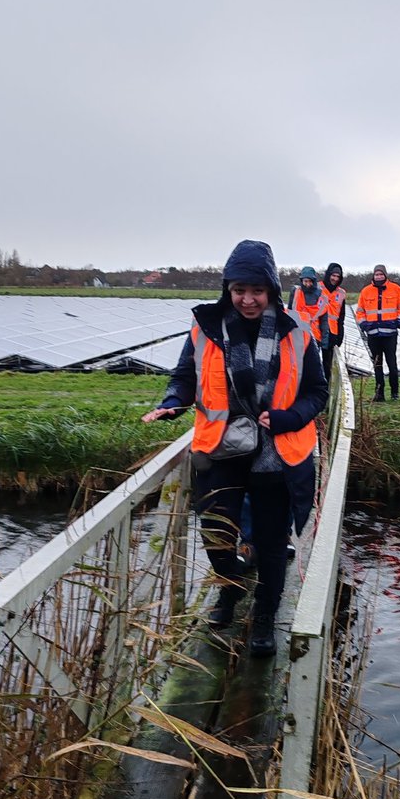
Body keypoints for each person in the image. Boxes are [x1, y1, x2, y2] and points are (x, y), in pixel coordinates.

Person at [141, 239, 328, 657]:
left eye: (256, 291)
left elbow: (318, 391)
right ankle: (232, 583)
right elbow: (184, 377)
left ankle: (264, 616)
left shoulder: (297, 331)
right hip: (222, 448)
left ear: (271, 291)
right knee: (217, 536)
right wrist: (172, 403)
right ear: (228, 289)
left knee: (272, 540)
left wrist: (287, 418)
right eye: (239, 290)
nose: (247, 299)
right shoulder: (205, 328)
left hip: (274, 453)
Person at [355, 264, 400, 402]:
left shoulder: (396, 289)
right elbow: (360, 311)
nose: (378, 277)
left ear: (385, 275)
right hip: (373, 334)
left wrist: (399, 321)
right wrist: (363, 324)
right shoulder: (366, 291)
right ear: (373, 276)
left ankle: (395, 393)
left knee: (392, 364)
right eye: (376, 274)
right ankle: (379, 394)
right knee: (377, 365)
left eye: (381, 274)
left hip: (390, 334)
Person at [287, 266, 330, 344]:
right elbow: (289, 313)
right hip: (297, 335)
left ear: (314, 281)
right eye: (305, 281)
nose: (308, 284)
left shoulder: (320, 295)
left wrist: (325, 341)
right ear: (301, 281)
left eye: (310, 281)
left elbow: (324, 320)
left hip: (314, 336)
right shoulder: (295, 292)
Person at [319, 262, 346, 381]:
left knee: (328, 363)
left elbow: (341, 316)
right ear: (328, 274)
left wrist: (340, 333)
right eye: (333, 275)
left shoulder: (341, 293)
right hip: (317, 330)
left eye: (338, 277)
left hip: (332, 332)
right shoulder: (317, 288)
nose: (335, 279)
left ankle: (326, 389)